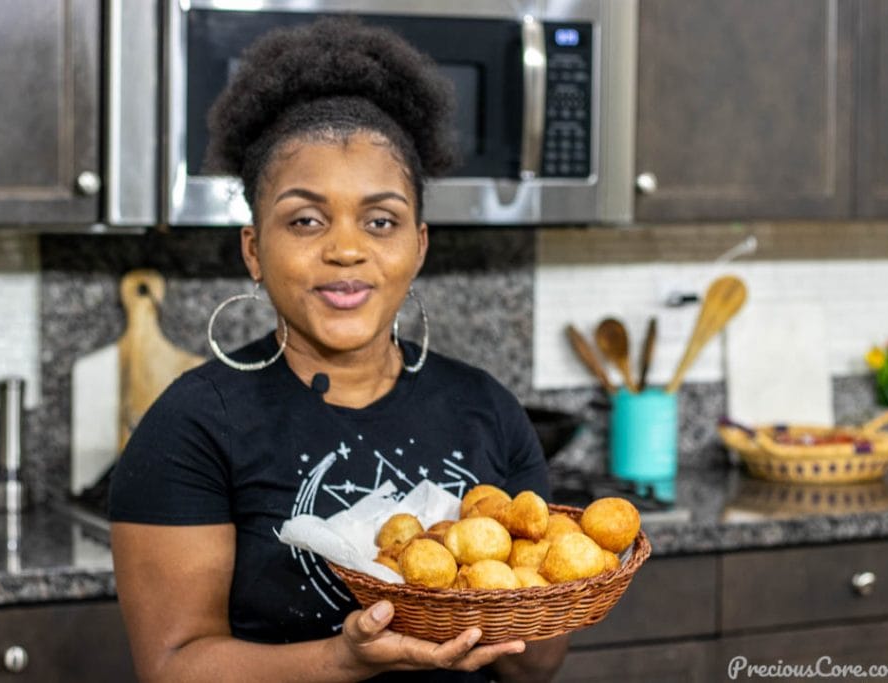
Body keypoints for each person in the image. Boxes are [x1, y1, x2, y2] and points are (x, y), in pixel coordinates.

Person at [108, 16, 568, 683]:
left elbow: (536, 666)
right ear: (254, 251)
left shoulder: (487, 409)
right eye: (305, 220)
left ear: (418, 245)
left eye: (380, 221)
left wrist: (542, 604)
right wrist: (340, 658)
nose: (346, 248)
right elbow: (173, 666)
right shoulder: (192, 426)